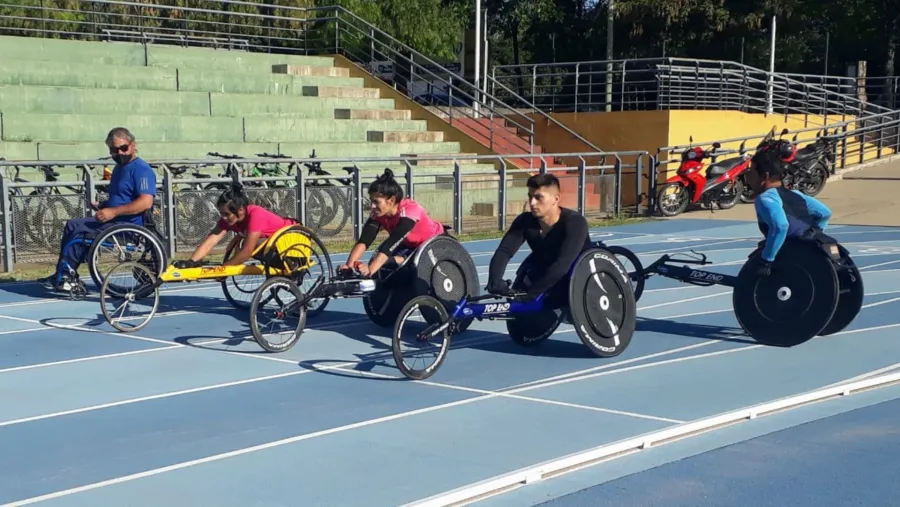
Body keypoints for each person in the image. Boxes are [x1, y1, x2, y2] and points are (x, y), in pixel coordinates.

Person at [39, 127, 157, 292]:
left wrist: (113, 212)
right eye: (114, 150)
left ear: (133, 145)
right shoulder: (118, 169)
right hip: (113, 221)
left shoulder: (141, 170)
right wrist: (104, 206)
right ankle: (64, 272)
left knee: (78, 230)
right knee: (73, 225)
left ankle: (66, 274)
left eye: (123, 148)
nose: (120, 153)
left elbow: (145, 202)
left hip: (127, 227)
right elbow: (121, 197)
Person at [486, 173, 592, 307]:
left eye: (538, 197)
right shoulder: (525, 221)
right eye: (530, 196)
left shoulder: (575, 222)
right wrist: (494, 279)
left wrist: (531, 294)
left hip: (579, 277)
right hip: (545, 269)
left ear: (556, 198)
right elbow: (504, 251)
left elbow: (562, 265)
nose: (532, 203)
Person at [339, 169, 445, 277]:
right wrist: (349, 266)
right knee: (379, 264)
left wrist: (369, 271)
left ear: (391, 201)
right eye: (371, 201)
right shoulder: (379, 214)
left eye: (376, 202)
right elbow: (364, 241)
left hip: (434, 244)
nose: (372, 206)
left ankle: (403, 260)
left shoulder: (410, 210)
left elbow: (392, 242)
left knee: (382, 263)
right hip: (409, 246)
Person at [744, 147, 833, 274]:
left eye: (751, 171)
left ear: (764, 176)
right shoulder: (795, 193)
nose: (747, 176)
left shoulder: (764, 198)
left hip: (791, 251)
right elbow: (824, 213)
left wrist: (766, 260)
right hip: (810, 245)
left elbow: (780, 226)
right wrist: (816, 232)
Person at [173, 185, 296, 268]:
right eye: (221, 214)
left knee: (247, 244)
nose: (224, 218)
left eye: (226, 214)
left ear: (241, 210)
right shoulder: (229, 220)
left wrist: (225, 268)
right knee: (244, 243)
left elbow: (247, 251)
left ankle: (288, 266)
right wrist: (191, 262)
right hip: (272, 245)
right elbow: (212, 240)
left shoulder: (256, 214)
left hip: (292, 239)